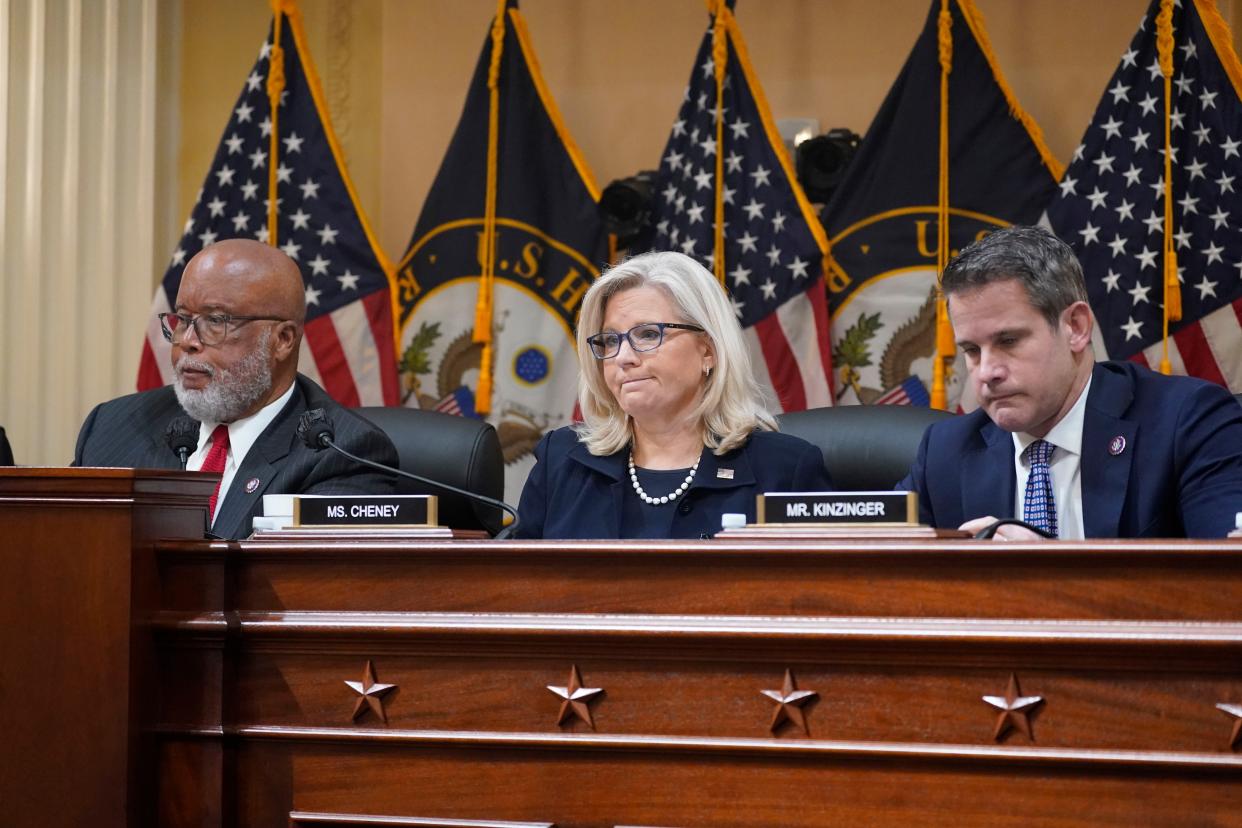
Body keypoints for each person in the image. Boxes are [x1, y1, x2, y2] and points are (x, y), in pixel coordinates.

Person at [899, 225, 1242, 540]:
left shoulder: (1188, 423)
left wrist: (1053, 574)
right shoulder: (944, 452)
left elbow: (1222, 586)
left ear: (1076, 327)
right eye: (972, 350)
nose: (987, 372)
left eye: (1008, 341)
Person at [74, 238, 397, 539]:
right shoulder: (112, 427)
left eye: (216, 321)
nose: (187, 341)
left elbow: (310, 591)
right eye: (183, 319)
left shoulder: (342, 453)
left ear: (282, 340)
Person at [516, 251, 833, 539]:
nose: (623, 356)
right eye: (610, 341)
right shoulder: (561, 462)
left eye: (648, 334)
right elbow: (513, 587)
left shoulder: (784, 469)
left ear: (707, 351)